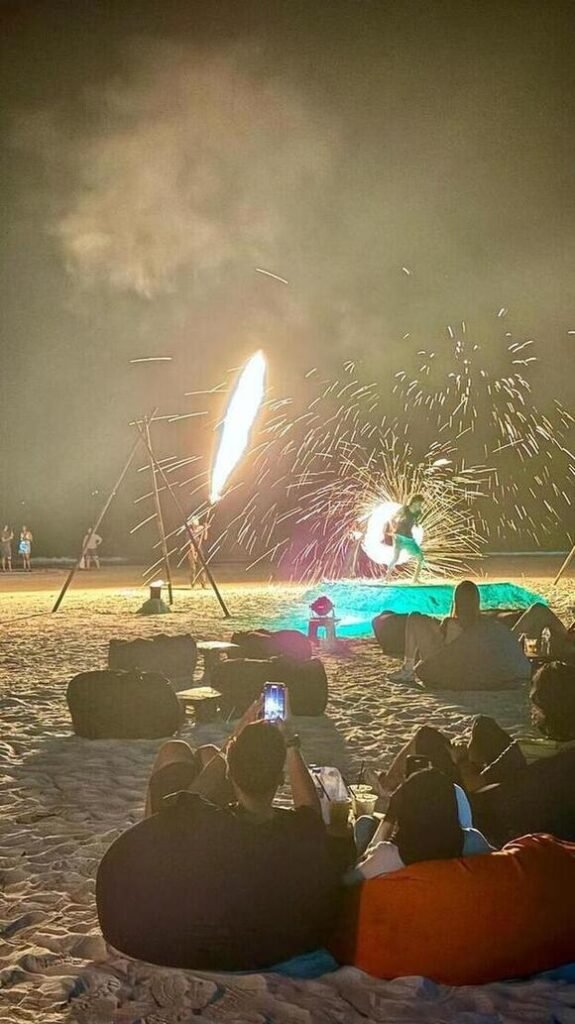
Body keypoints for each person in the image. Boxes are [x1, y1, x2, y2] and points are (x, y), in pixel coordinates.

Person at [346, 768, 493, 884]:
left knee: (364, 824)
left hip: (401, 916)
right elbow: (500, 862)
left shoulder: (387, 857)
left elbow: (347, 883)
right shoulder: (472, 841)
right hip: (452, 911)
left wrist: (390, 816)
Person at [390, 578, 481, 683]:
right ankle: (408, 668)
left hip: (441, 668)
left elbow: (446, 650)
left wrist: (436, 629)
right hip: (462, 669)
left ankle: (408, 668)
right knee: (426, 621)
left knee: (414, 617)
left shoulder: (453, 623)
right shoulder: (478, 623)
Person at [385, 494, 425, 583]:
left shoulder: (417, 512)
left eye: (421, 504)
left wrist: (417, 523)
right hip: (402, 538)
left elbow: (416, 520)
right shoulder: (404, 509)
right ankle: (387, 578)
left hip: (404, 538)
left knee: (419, 558)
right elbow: (392, 517)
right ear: (414, 502)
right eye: (419, 504)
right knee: (419, 558)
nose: (420, 506)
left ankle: (414, 579)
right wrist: (392, 526)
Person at [187, 516, 208, 589]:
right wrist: (194, 553)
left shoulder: (200, 528)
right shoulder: (189, 532)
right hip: (191, 550)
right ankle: (192, 583)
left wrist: (205, 529)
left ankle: (203, 583)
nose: (196, 527)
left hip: (199, 550)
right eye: (194, 525)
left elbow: (205, 538)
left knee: (202, 566)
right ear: (192, 525)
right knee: (193, 568)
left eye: (196, 525)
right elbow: (190, 544)